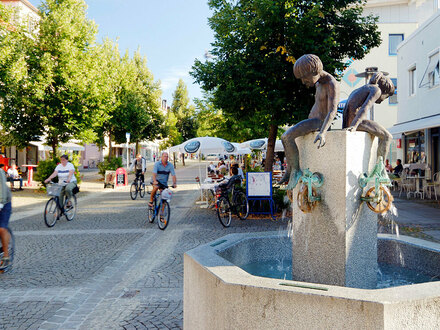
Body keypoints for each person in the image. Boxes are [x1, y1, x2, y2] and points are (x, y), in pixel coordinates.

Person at [280, 54, 339, 189]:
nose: (303, 81)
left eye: (304, 77)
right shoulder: (318, 82)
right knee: (286, 138)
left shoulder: (331, 83)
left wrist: (323, 132)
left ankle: (296, 171)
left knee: (286, 136)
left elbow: (332, 110)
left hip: (318, 122)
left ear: (314, 71)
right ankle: (290, 170)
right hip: (312, 120)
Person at [342, 72, 394, 161]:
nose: (383, 100)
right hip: (356, 121)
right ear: (384, 91)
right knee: (387, 136)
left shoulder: (363, 88)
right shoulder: (376, 90)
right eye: (386, 97)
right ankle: (379, 168)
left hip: (351, 120)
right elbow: (365, 108)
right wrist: (354, 126)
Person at [0, 164, 12, 270]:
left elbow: (2, 188)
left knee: (2, 228)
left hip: (4, 202)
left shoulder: (0, 172)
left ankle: (6, 255)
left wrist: (1, 203)